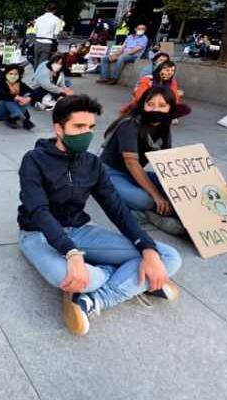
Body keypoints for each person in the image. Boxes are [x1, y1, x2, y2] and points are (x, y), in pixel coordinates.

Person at [17, 94, 182, 336]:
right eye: (79, 126)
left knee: (168, 257)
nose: (86, 133)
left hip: (79, 230)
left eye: (91, 127)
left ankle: (95, 300)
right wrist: (72, 253)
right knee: (72, 276)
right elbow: (39, 211)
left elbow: (117, 210)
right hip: (38, 234)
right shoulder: (34, 160)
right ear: (59, 129)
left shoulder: (92, 164)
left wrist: (147, 248)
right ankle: (134, 280)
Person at [101, 86, 184, 234]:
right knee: (144, 200)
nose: (155, 109)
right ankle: (149, 215)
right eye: (150, 104)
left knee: (178, 191)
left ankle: (161, 210)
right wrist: (156, 195)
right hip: (110, 173)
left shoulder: (165, 126)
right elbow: (131, 163)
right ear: (143, 104)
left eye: (162, 105)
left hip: (136, 174)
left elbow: (167, 161)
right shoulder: (129, 124)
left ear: (170, 108)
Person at [121, 61, 191, 121]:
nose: (170, 73)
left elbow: (175, 100)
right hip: (145, 106)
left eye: (172, 71)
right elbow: (139, 97)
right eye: (167, 70)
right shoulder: (148, 80)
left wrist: (174, 95)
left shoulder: (173, 82)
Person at [0, 65, 34, 130]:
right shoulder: (1, 84)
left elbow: (32, 92)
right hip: (2, 110)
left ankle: (13, 118)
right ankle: (23, 119)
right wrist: (17, 97)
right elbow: (3, 95)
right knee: (7, 99)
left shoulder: (20, 84)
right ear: (6, 74)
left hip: (17, 109)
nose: (13, 76)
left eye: (15, 74)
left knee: (27, 96)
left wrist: (27, 98)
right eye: (10, 74)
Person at [33, 3, 62, 69]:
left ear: (46, 9)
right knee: (43, 63)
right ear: (54, 10)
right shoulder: (56, 19)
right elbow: (56, 34)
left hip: (37, 41)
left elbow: (35, 31)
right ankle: (40, 75)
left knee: (36, 61)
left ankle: (35, 74)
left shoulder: (39, 18)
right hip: (47, 42)